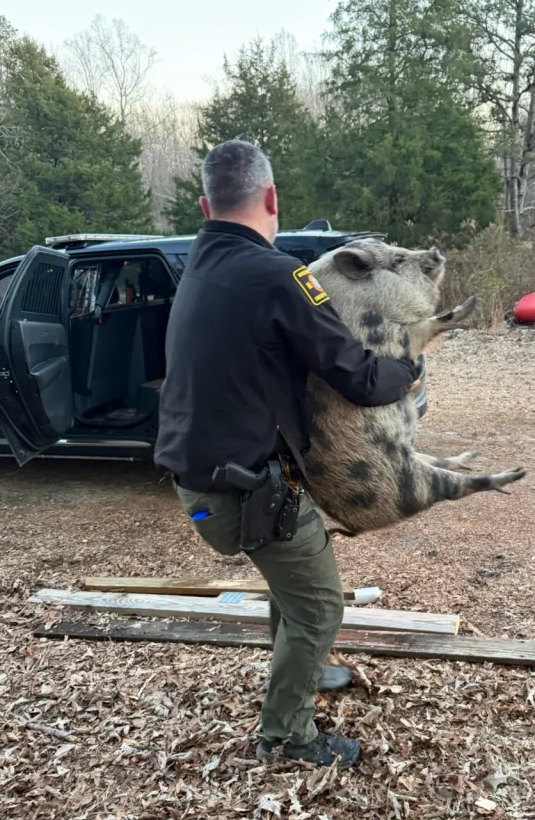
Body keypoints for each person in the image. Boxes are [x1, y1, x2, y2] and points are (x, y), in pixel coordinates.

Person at [155, 140, 419, 769]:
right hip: (242, 491)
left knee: (291, 581)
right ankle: (287, 736)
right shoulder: (276, 276)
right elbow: (353, 372)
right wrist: (405, 372)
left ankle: (304, 673)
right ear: (272, 198)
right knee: (321, 602)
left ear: (205, 205)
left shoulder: (201, 265)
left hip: (200, 484)